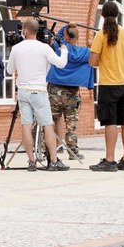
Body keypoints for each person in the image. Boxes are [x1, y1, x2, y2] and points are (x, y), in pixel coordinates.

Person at [5, 18, 70, 171]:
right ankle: (53, 160)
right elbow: (61, 63)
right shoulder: (44, 48)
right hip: (39, 90)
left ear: (25, 31)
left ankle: (31, 161)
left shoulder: (17, 48)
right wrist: (64, 51)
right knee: (47, 125)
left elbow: (9, 70)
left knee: (26, 125)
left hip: (23, 91)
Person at [89, 2, 124, 172]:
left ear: (102, 15)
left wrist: (101, 62)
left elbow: (92, 61)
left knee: (110, 121)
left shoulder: (101, 35)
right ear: (118, 15)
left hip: (107, 85)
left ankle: (110, 160)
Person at [46, 23, 94, 160]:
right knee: (71, 123)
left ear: (66, 36)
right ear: (77, 37)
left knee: (51, 121)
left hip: (54, 90)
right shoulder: (85, 53)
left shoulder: (59, 48)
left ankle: (48, 150)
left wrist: (66, 26)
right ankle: (73, 151)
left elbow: (57, 37)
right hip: (71, 93)